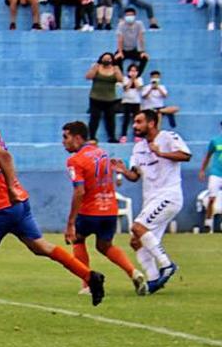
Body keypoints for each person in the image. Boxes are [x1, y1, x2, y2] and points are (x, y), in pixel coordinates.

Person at [0, 95, 105, 315]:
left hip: (0, 207)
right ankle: (90, 276)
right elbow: (0, 154)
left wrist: (11, 188)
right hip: (18, 204)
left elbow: (2, 155)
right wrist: (14, 188)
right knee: (41, 247)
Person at [62, 121, 148, 295]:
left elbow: (79, 191)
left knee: (77, 239)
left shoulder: (74, 160)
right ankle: (134, 272)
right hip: (109, 209)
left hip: (89, 210)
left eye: (66, 137)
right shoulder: (103, 154)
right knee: (104, 245)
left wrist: (70, 222)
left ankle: (87, 284)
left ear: (78, 138)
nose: (63, 142)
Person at [111, 109, 191, 294]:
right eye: (134, 122)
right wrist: (123, 170)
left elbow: (186, 156)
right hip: (151, 200)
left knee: (137, 227)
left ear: (151, 123)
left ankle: (167, 265)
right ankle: (154, 279)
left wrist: (161, 153)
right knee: (136, 241)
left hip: (169, 195)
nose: (134, 126)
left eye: (139, 122)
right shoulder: (138, 148)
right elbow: (135, 176)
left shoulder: (168, 137)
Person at [85, 52, 124, 143]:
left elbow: (120, 80)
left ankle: (112, 137)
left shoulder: (115, 69)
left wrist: (117, 69)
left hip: (110, 99)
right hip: (95, 97)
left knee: (110, 119)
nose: (106, 60)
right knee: (94, 118)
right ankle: (92, 136)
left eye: (109, 58)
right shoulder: (97, 67)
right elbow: (88, 77)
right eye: (105, 58)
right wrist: (94, 68)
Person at [198, 121, 222, 232]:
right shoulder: (215, 141)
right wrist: (202, 170)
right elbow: (208, 156)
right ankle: (208, 224)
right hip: (216, 173)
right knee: (212, 198)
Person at [114, 7, 150, 75]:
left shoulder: (139, 24)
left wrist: (142, 51)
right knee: (116, 59)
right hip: (124, 49)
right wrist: (120, 52)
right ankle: (121, 77)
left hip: (134, 49)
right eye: (127, 15)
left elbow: (141, 38)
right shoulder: (121, 25)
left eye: (131, 15)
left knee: (144, 58)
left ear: (135, 16)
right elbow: (120, 39)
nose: (129, 17)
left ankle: (137, 76)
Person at [118, 63, 143, 143]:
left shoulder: (139, 79)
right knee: (126, 119)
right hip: (126, 102)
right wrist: (131, 80)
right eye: (131, 70)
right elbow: (126, 88)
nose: (133, 72)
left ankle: (137, 136)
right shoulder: (125, 79)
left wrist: (134, 79)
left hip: (136, 102)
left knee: (137, 120)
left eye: (135, 71)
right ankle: (123, 135)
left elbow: (139, 87)